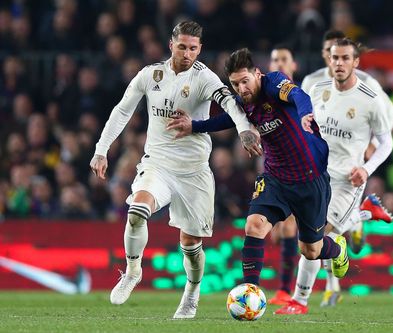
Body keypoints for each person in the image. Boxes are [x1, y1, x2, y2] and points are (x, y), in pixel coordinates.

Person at [89, 21, 260, 319]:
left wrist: (244, 129)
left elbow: (232, 105)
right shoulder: (150, 74)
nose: (187, 53)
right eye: (182, 47)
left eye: (193, 48)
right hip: (158, 163)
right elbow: (122, 110)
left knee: (190, 245)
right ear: (171, 45)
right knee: (137, 211)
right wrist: (101, 150)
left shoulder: (205, 78)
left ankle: (191, 293)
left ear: (200, 49)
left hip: (194, 172)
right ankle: (132, 271)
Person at [167, 48, 350, 291]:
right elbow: (228, 118)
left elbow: (298, 95)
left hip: (310, 178)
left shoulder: (274, 83)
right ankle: (249, 292)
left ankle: (337, 248)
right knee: (253, 225)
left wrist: (306, 113)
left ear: (257, 74)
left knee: (310, 250)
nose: (242, 88)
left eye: (245, 81)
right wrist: (194, 126)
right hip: (276, 177)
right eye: (235, 84)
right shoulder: (242, 102)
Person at [275, 37, 393, 314]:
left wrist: (366, 169)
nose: (338, 63)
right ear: (328, 59)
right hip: (315, 176)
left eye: (344, 58)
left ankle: (299, 301)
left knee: (313, 239)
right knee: (309, 241)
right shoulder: (317, 90)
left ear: (356, 62)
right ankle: (366, 213)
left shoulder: (370, 100)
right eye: (334, 57)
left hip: (346, 182)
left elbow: (386, 143)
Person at [266, 44, 299, 305]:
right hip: (282, 174)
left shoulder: (302, 95)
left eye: (284, 59)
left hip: (313, 172)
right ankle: (286, 290)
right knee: (287, 225)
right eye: (274, 59)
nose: (278, 63)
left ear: (293, 66)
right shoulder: (265, 101)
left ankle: (357, 219)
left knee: (317, 239)